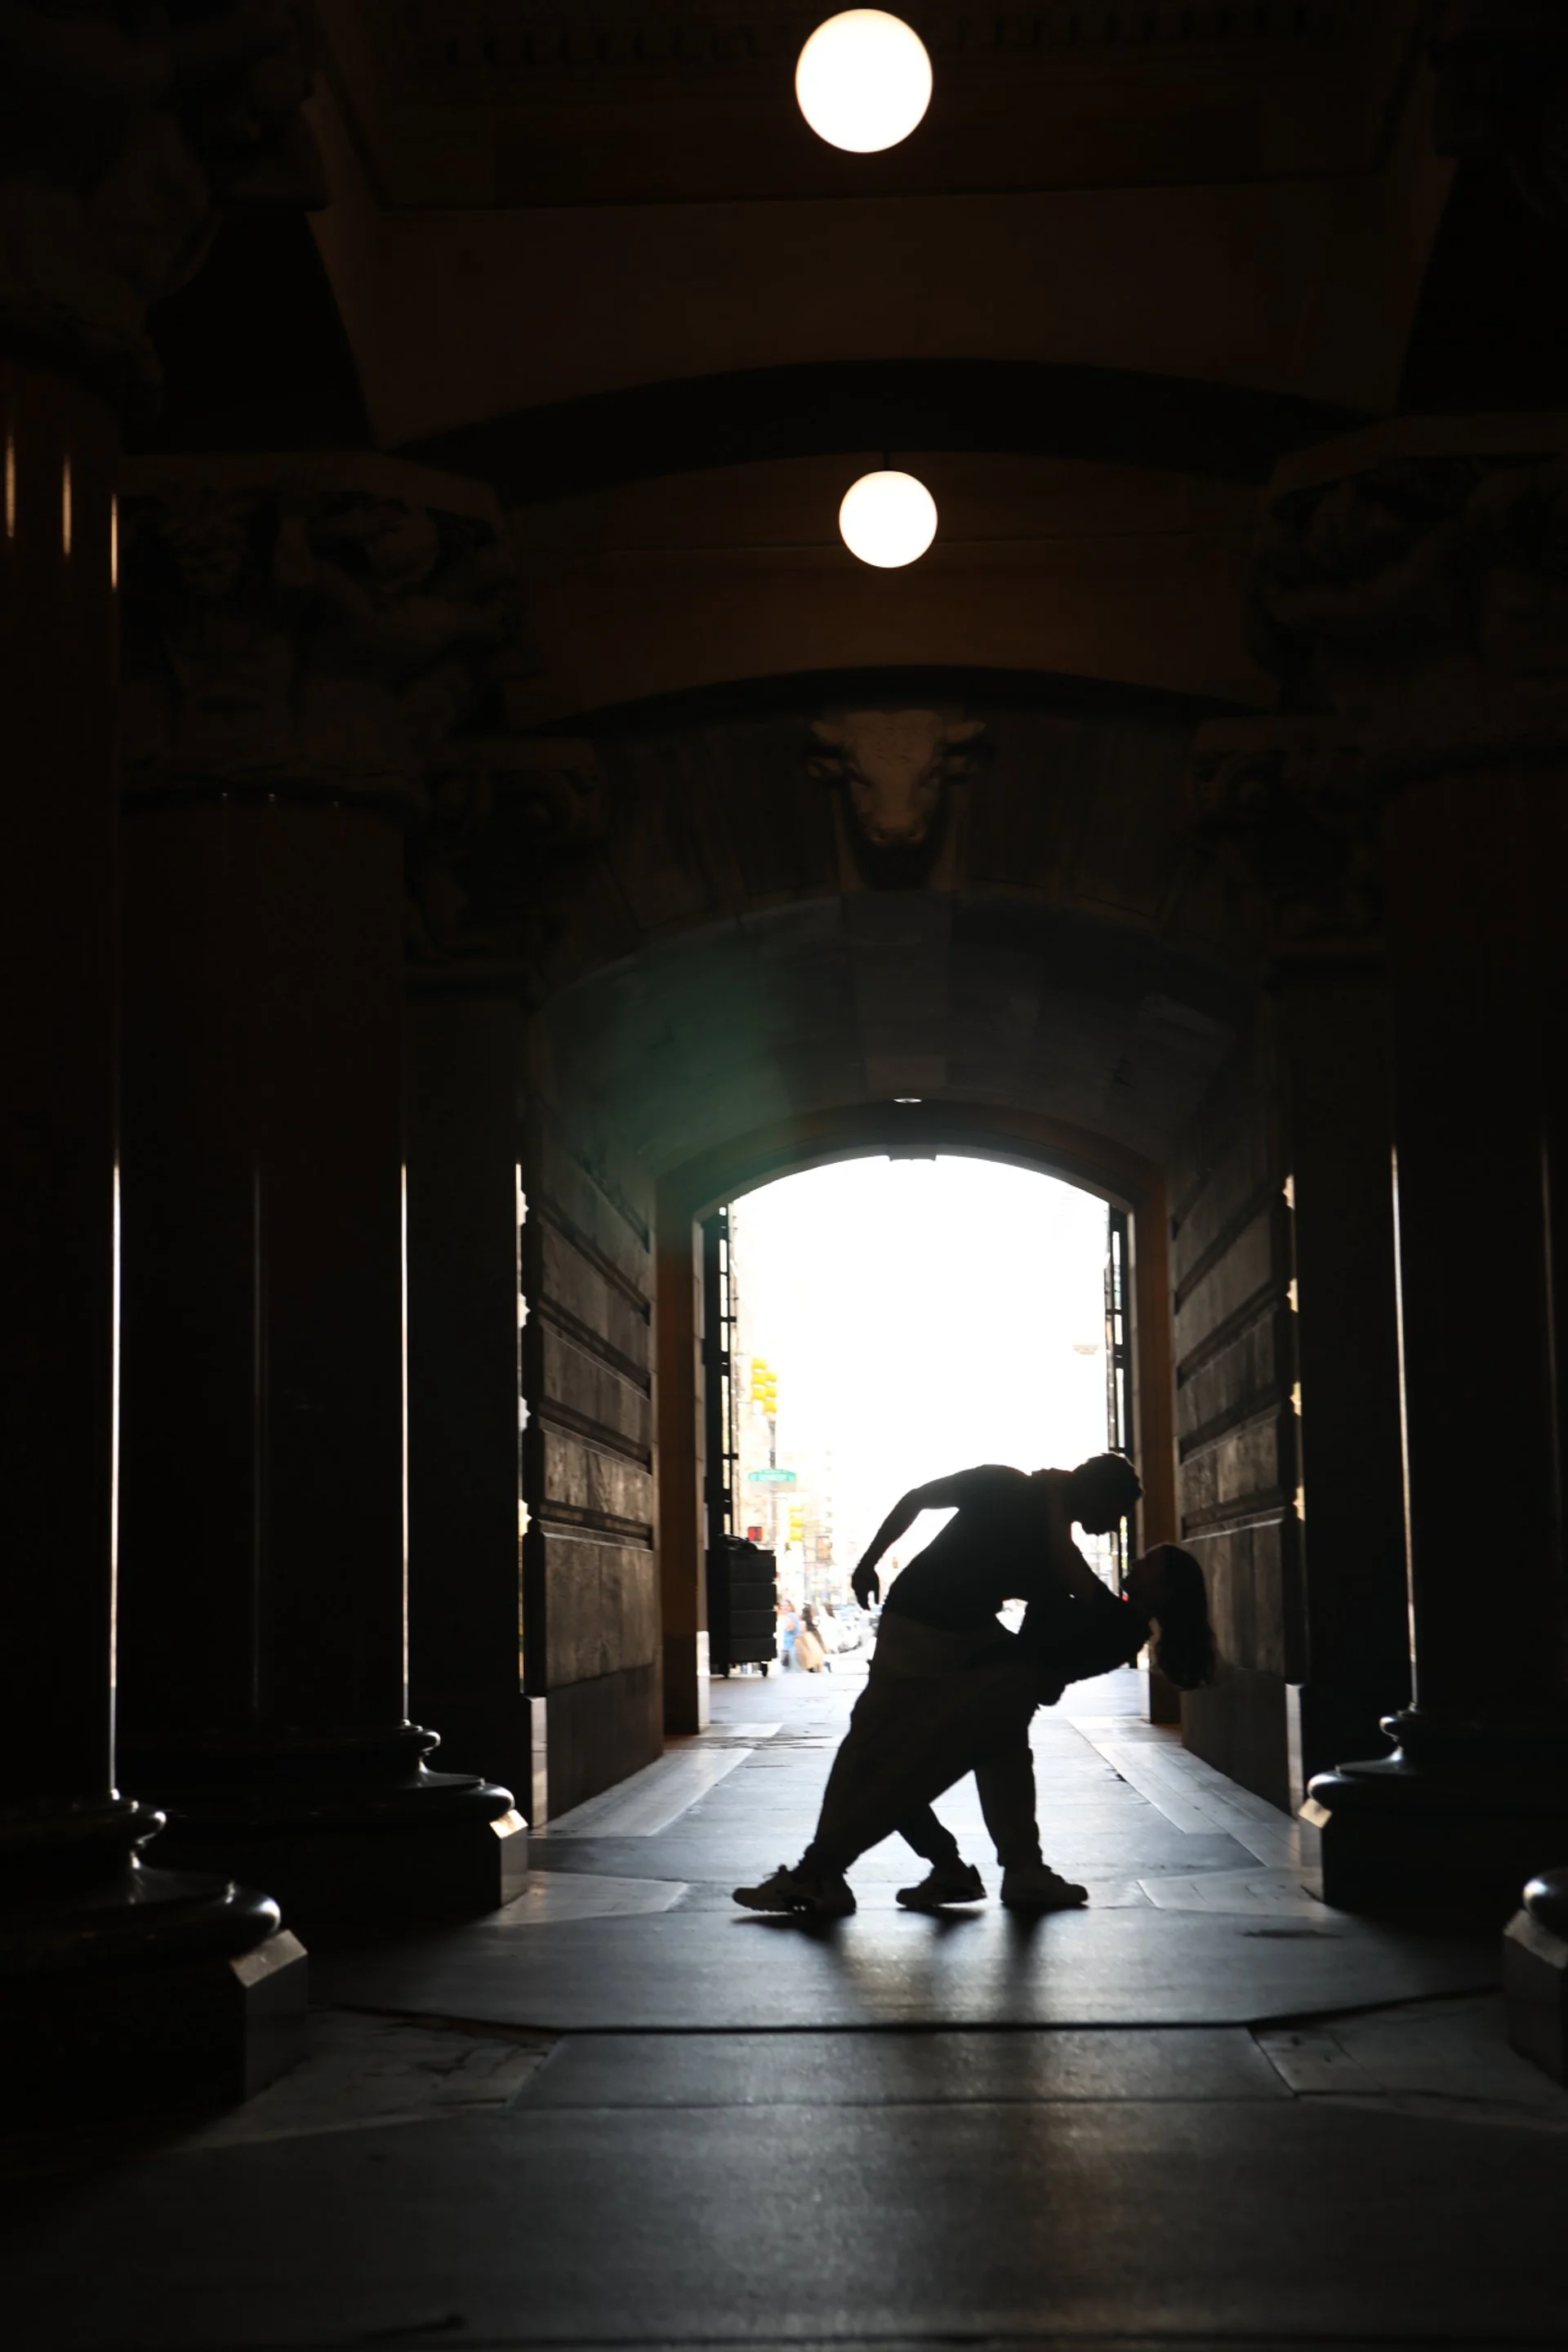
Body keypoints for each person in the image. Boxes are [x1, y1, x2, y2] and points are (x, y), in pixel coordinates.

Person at [733, 1454, 1175, 1917]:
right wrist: (867, 1562)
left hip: (950, 1632)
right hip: (924, 1634)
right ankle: (1003, 1868)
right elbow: (921, 1502)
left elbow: (920, 1502)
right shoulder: (1010, 1491)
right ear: (1096, 1492)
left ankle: (941, 1869)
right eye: (1117, 1512)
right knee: (901, 1759)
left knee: (883, 1759)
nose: (1114, 1526)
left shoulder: (1047, 1530)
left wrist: (871, 1563)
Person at [889, 1540, 1217, 1910]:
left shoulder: (1119, 1621)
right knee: (995, 1794)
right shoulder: (1121, 1625)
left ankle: (965, 1868)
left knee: (896, 1783)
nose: (1137, 1563)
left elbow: (1067, 1559)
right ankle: (1001, 1872)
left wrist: (1055, 1507)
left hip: (996, 1694)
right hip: (1002, 1695)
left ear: (1164, 1589)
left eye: (1149, 1563)